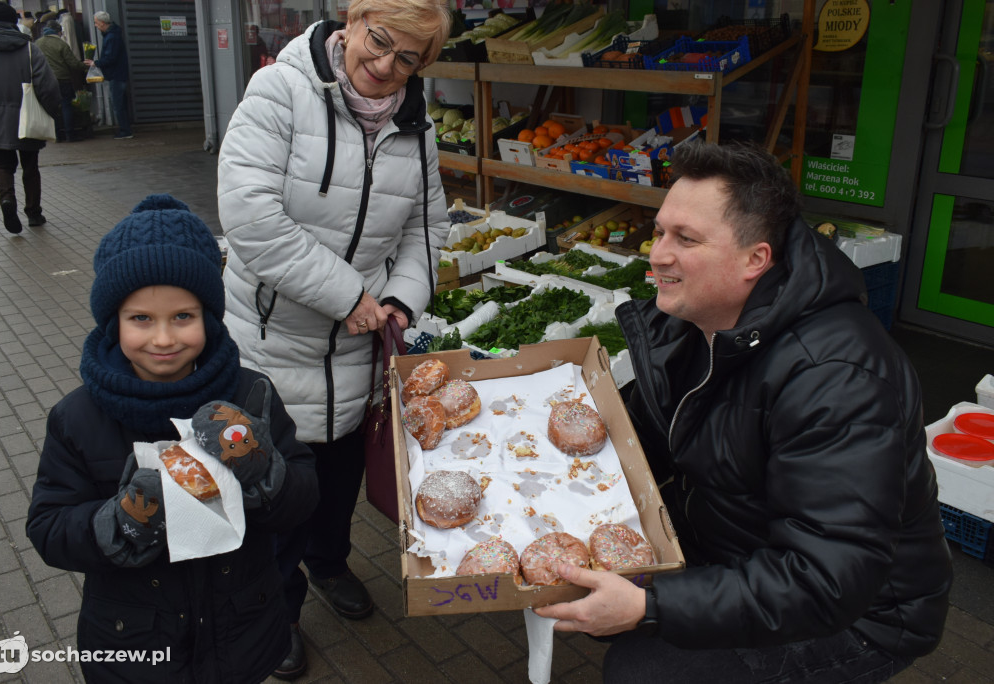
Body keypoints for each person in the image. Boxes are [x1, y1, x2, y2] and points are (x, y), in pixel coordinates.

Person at [534, 142, 953, 683]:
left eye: (686, 239)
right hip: (735, 544)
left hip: (863, 615)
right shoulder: (693, 320)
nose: (657, 254)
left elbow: (827, 580)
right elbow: (639, 436)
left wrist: (652, 605)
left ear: (756, 258)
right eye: (659, 231)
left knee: (644, 671)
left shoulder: (837, 377)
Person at [216, 0, 451, 677]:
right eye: (378, 43)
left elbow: (427, 231)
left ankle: (329, 564)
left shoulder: (418, 126)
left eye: (408, 59)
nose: (385, 66)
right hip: (271, 341)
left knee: (341, 473)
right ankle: (276, 612)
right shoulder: (279, 90)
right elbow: (250, 217)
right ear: (351, 20)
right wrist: (347, 295)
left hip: (359, 346)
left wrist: (403, 298)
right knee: (276, 489)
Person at [25, 194, 319, 683]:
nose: (163, 338)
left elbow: (303, 498)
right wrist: (119, 522)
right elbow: (49, 527)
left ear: (209, 316)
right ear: (112, 320)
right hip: (134, 640)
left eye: (183, 316)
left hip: (241, 627)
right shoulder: (77, 417)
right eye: (141, 318)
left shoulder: (250, 393)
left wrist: (264, 473)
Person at [0, 1, 60, 234]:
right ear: (14, 22)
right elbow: (47, 86)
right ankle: (34, 213)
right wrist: (54, 112)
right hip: (27, 114)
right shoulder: (29, 49)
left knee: (0, 162)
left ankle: (7, 199)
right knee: (30, 165)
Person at [36, 20, 87, 142]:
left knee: (51, 108)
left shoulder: (37, 43)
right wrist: (85, 66)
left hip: (45, 80)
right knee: (66, 105)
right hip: (62, 79)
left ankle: (56, 135)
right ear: (58, 32)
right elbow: (72, 63)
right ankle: (70, 134)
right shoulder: (61, 44)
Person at [85, 10, 131, 139]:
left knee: (118, 104)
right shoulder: (113, 34)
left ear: (102, 23)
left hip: (116, 75)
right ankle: (125, 129)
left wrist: (96, 63)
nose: (95, 25)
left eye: (96, 23)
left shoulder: (111, 37)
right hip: (119, 74)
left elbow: (110, 57)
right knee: (120, 103)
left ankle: (125, 131)